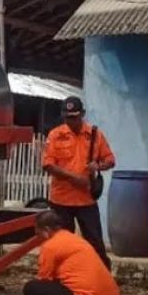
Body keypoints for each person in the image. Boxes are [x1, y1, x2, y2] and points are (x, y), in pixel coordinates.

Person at [23, 210, 120, 295]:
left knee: (32, 288)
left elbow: (44, 280)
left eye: (38, 233)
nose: (39, 238)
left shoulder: (51, 246)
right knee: (70, 287)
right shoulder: (75, 239)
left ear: (46, 230)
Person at [41, 96, 116, 268]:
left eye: (75, 116)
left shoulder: (95, 135)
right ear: (63, 116)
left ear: (82, 114)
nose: (72, 121)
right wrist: (73, 178)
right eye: (68, 117)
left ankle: (103, 278)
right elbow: (48, 164)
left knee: (96, 244)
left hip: (86, 200)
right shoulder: (55, 135)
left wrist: (98, 165)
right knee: (61, 245)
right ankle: (64, 280)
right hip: (61, 200)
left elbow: (110, 160)